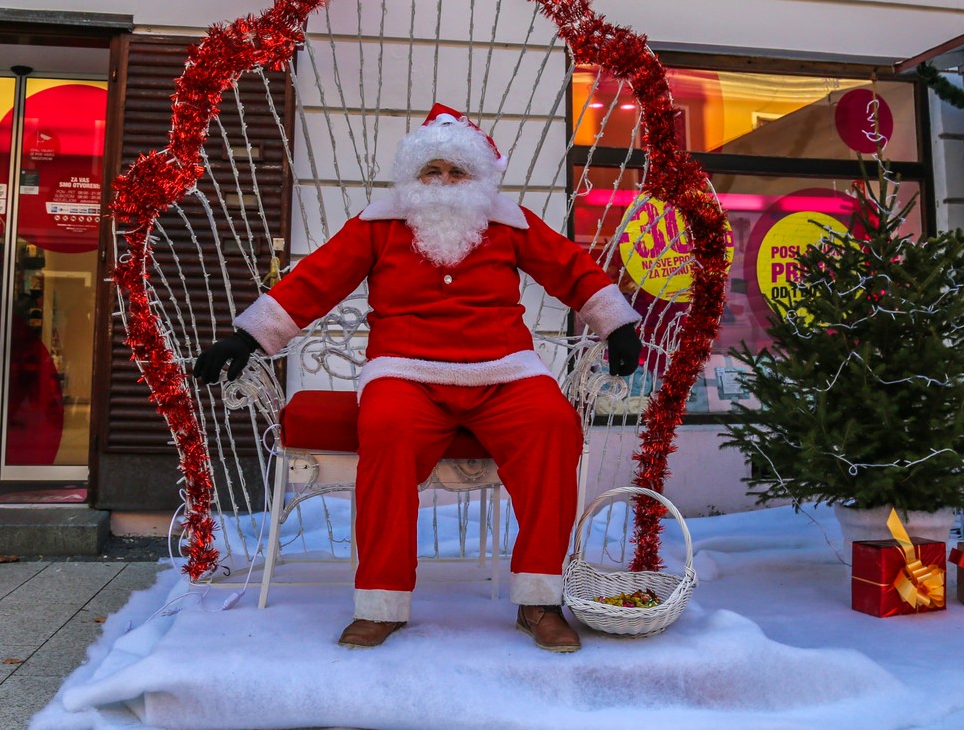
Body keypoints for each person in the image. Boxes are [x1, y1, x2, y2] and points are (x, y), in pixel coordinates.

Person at [197, 104, 642, 652]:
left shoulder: (510, 222)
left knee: (553, 426)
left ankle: (540, 600)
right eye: (433, 171)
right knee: (386, 432)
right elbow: (316, 280)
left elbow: (572, 268)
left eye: (457, 172)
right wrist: (248, 338)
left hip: (504, 370)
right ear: (413, 176)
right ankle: (381, 603)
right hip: (406, 372)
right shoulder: (378, 224)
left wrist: (615, 323)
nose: (445, 183)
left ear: (479, 178)